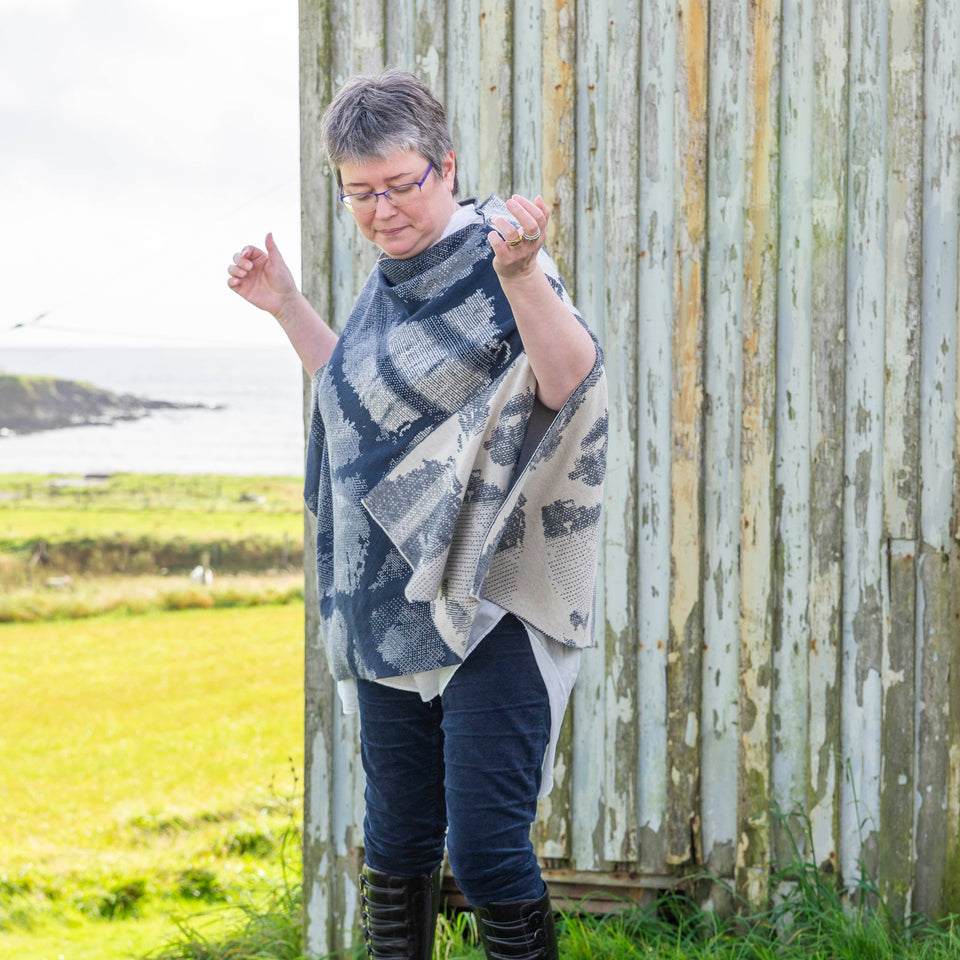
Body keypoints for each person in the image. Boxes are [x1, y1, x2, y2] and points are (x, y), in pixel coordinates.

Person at [227, 69, 607, 960]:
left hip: (490, 597)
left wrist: (522, 275)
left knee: (485, 848)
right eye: (359, 192)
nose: (381, 210)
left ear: (447, 166)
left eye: (398, 185)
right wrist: (287, 306)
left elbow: (572, 381)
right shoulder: (387, 283)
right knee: (395, 845)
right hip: (389, 598)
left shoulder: (498, 254)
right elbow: (363, 405)